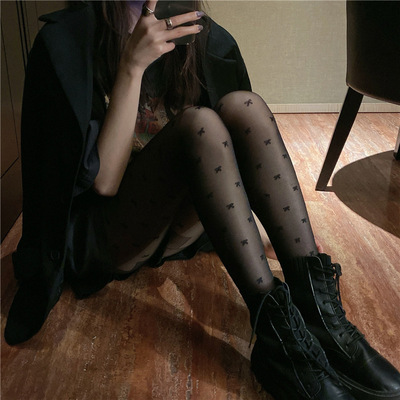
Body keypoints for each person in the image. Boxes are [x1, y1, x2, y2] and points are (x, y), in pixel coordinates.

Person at [5, 1, 400, 399]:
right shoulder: (65, 42)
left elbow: (230, 170)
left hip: (173, 227)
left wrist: (270, 236)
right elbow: (104, 184)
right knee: (199, 124)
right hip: (107, 234)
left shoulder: (203, 37)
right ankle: (281, 342)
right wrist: (131, 68)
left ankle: (322, 319)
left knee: (244, 106)